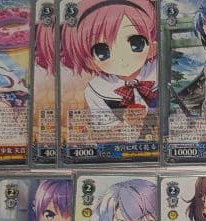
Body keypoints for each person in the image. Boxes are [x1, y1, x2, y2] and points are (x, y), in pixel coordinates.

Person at [59, 0, 158, 131]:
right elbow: (108, 131)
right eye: (102, 51)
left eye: (136, 43)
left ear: (153, 47)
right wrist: (127, 123)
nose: (122, 57)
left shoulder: (159, 70)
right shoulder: (97, 90)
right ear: (90, 62)